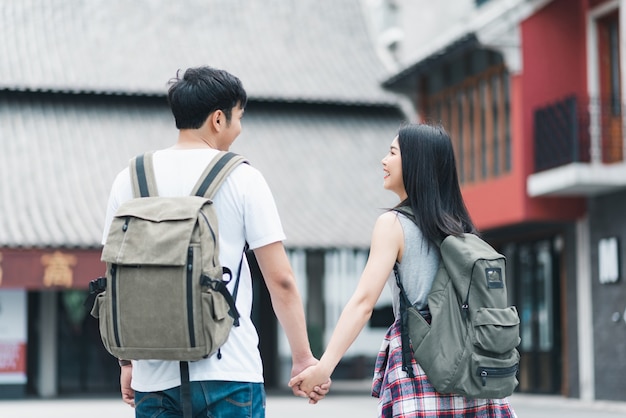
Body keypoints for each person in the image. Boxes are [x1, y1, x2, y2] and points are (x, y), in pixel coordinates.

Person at [102, 66, 327, 417]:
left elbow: (119, 277)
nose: (240, 128)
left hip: (154, 377)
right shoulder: (243, 178)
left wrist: (127, 362)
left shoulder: (129, 180)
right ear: (218, 119)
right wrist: (302, 360)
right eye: (239, 117)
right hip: (230, 370)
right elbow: (280, 280)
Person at [289, 123, 516, 417]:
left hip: (421, 364)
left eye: (393, 152)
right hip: (471, 371)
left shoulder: (393, 225)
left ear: (415, 163)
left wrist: (324, 368)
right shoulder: (461, 229)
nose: (384, 160)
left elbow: (363, 303)